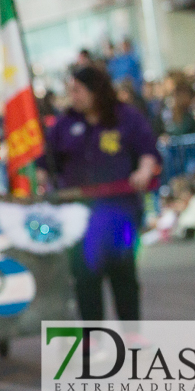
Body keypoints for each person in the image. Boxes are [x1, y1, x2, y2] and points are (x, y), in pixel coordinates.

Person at [42, 66, 161, 322]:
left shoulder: (126, 117)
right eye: (70, 90)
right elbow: (46, 164)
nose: (73, 96)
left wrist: (143, 170)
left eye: (78, 90)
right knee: (85, 277)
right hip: (79, 215)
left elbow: (147, 151)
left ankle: (131, 334)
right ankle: (92, 338)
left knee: (124, 275)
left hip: (121, 212)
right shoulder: (65, 123)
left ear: (96, 90)